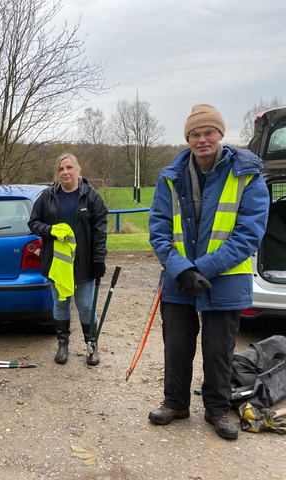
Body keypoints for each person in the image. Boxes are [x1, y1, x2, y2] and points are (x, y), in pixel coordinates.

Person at [147, 104, 269, 440]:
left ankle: (217, 410)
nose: (202, 140)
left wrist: (198, 269)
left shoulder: (247, 175)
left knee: (219, 351)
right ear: (187, 139)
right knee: (176, 345)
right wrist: (180, 270)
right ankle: (175, 403)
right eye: (195, 134)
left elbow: (249, 234)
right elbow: (157, 230)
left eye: (208, 133)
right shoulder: (170, 178)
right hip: (177, 281)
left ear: (220, 135)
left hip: (224, 282)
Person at [28, 153, 108, 366]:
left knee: (85, 306)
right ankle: (63, 345)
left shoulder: (91, 196)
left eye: (69, 168)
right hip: (57, 263)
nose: (65, 172)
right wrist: (50, 230)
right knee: (61, 303)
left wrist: (99, 259)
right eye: (61, 169)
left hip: (84, 264)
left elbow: (100, 231)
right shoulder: (47, 197)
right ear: (57, 173)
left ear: (78, 170)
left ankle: (91, 346)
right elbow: (33, 223)